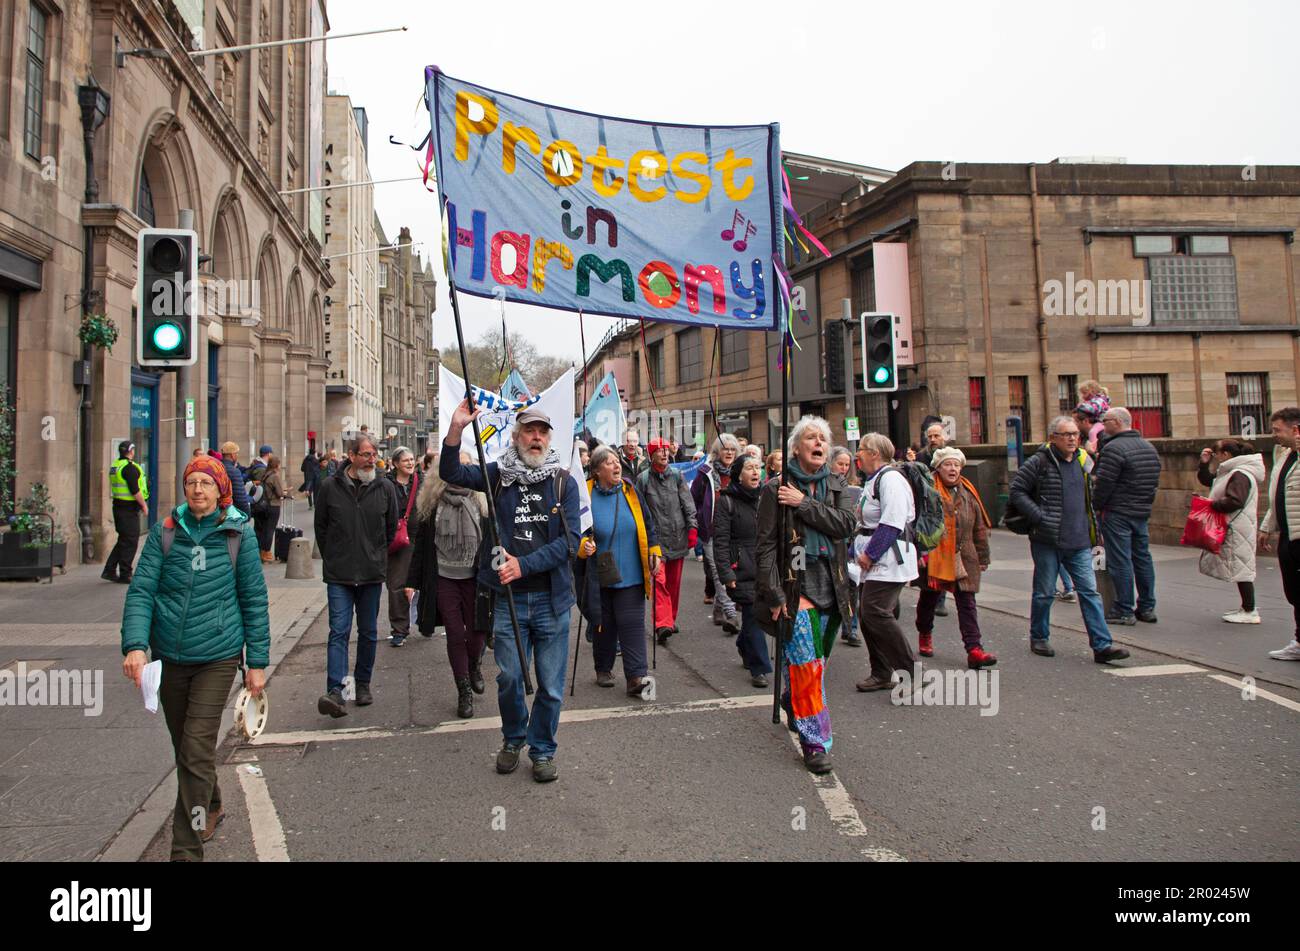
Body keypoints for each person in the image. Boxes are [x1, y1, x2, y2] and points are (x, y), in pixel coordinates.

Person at [120, 455, 268, 861]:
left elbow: (253, 599)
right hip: (169, 656)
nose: (198, 490)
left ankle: (186, 847)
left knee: (196, 748)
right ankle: (212, 800)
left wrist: (256, 663)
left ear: (220, 490)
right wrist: (135, 645)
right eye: (192, 483)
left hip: (217, 656)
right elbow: (142, 591)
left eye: (206, 483)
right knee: (185, 746)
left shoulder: (239, 534)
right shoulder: (165, 533)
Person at [441, 400, 580, 783]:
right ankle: (513, 737)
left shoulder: (563, 482)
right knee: (510, 679)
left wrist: (523, 565)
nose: (536, 438)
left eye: (542, 432)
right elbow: (449, 470)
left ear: (549, 438)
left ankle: (542, 750)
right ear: (516, 437)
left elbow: (570, 543)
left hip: (552, 601)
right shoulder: (497, 475)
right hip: (509, 602)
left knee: (550, 687)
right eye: (529, 431)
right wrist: (457, 429)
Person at [756, 416, 856, 774]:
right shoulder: (774, 488)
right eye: (811, 438)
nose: (819, 443)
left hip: (834, 582)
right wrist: (775, 594)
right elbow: (766, 547)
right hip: (795, 583)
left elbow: (846, 524)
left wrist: (802, 504)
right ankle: (815, 742)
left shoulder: (835, 483)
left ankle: (792, 700)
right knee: (807, 667)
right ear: (796, 447)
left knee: (817, 664)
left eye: (823, 439)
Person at [1009, 416, 1130, 664]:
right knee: (1044, 593)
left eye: (1075, 434)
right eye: (1066, 434)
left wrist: (1094, 529)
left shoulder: (1084, 460)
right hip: (1047, 540)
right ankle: (1039, 636)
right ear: (1053, 437)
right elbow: (1017, 490)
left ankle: (1102, 645)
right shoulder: (1039, 461)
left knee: (1090, 593)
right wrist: (1039, 516)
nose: (1073, 438)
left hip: (1080, 541)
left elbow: (1091, 494)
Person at [313, 434, 399, 717]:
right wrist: (335, 556)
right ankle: (336, 690)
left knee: (368, 632)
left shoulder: (384, 488)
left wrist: (377, 556)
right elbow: (321, 529)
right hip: (340, 573)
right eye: (365, 454)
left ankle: (362, 684)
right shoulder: (329, 487)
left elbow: (389, 530)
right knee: (339, 631)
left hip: (372, 573)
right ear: (351, 456)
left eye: (373, 454)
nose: (371, 459)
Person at [404, 453, 489, 717]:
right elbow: (421, 547)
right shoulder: (432, 502)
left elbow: (494, 539)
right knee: (454, 633)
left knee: (476, 635)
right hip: (444, 577)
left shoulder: (481, 499)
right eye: (456, 465)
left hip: (475, 578)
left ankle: (474, 663)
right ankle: (463, 690)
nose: (461, 469)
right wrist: (412, 582)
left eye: (466, 465)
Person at [579, 446, 662, 697]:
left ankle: (636, 677)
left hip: (632, 571)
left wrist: (654, 550)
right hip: (599, 572)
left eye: (617, 461)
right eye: (608, 462)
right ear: (595, 471)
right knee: (603, 624)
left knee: (632, 623)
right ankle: (603, 668)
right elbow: (575, 528)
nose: (616, 466)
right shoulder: (585, 493)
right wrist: (583, 545)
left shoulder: (630, 490)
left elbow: (648, 522)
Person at [916, 448, 998, 668]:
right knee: (929, 597)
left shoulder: (969, 492)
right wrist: (919, 552)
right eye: (947, 465)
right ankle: (924, 633)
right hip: (936, 554)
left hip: (964, 554)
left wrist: (983, 556)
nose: (952, 469)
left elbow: (979, 527)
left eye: (956, 465)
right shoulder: (927, 490)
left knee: (967, 602)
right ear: (938, 467)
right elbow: (917, 523)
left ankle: (974, 649)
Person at [852, 433, 921, 691]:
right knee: (867, 613)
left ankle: (911, 669)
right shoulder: (873, 481)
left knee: (874, 611)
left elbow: (891, 523)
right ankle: (881, 671)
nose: (857, 454)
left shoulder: (891, 479)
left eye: (861, 449)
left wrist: (870, 554)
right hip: (875, 558)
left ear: (874, 454)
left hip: (889, 557)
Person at [1091, 407, 1162, 625]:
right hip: (1140, 510)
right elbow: (1154, 482)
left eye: (1106, 421)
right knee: (1142, 557)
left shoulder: (1114, 449)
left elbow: (1104, 483)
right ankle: (1147, 607)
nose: (1103, 424)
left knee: (1120, 559)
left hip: (1117, 511)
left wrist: (1096, 506)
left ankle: (1124, 608)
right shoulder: (1149, 448)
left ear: (1118, 423)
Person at [713, 454, 773, 687]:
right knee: (754, 615)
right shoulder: (726, 502)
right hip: (741, 569)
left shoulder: (766, 498)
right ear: (738, 474)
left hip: (765, 566)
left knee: (757, 616)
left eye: (758, 467)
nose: (756, 472)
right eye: (749, 468)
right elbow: (720, 541)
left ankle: (742, 644)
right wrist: (726, 574)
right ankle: (759, 668)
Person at [1197, 439, 1267, 623]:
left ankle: (1250, 610)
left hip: (1236, 526)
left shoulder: (1240, 474)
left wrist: (1211, 504)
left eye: (1216, 453)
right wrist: (1204, 464)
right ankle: (1247, 608)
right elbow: (1211, 481)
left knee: (1242, 567)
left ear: (1226, 455)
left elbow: (1235, 501)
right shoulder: (1235, 472)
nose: (1215, 456)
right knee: (1240, 566)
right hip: (1237, 525)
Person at [636, 437, 696, 644]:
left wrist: (692, 529)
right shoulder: (643, 479)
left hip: (677, 536)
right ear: (651, 455)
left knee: (673, 583)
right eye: (659, 450)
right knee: (659, 582)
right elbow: (640, 511)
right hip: (656, 542)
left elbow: (688, 504)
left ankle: (670, 618)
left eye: (665, 450)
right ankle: (662, 624)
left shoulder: (678, 476)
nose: (664, 453)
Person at [1261, 407, 1300, 660]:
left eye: (1278, 430)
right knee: (1295, 591)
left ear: (1295, 429)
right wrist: (1267, 525)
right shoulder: (1284, 455)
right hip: (1289, 534)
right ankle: (1299, 640)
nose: (1274, 435)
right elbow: (1278, 494)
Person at [692, 433, 742, 633]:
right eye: (725, 449)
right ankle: (731, 615)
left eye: (732, 449)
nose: (729, 452)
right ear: (717, 451)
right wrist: (700, 517)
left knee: (729, 570)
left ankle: (719, 610)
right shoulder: (705, 472)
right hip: (712, 531)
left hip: (735, 532)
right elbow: (694, 498)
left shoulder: (740, 471)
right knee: (718, 571)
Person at [828, 446, 864, 647]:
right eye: (839, 463)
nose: (842, 468)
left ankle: (851, 629)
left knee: (852, 586)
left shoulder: (855, 487)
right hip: (833, 542)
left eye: (846, 464)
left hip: (850, 542)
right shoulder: (825, 484)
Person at [385, 447, 420, 647]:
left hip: (418, 537)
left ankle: (425, 621)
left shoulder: (420, 481)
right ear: (396, 463)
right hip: (396, 539)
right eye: (405, 460)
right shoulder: (385, 485)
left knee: (422, 583)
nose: (409, 463)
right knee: (397, 584)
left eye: (412, 459)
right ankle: (399, 629)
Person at [103, 441, 149, 583]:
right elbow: (135, 490)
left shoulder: (116, 466)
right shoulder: (129, 468)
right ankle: (125, 573)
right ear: (131, 451)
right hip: (128, 509)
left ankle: (109, 570)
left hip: (118, 506)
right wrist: (144, 505)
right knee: (130, 541)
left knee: (124, 539)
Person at [261, 455, 290, 562]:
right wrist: (285, 492)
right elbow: (279, 493)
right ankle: (266, 553)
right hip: (273, 505)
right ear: (277, 465)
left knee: (265, 529)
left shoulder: (265, 474)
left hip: (265, 505)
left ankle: (262, 551)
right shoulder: (275, 476)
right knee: (270, 530)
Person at [1076, 381, 1111, 454]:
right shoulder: (1092, 401)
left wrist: (1081, 406)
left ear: (1091, 392)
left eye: (1084, 393)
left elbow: (1093, 409)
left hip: (1102, 422)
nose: (1082, 396)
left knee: (1092, 432)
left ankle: (1093, 448)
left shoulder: (1100, 400)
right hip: (1098, 421)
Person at [219, 442, 252, 514]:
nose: (237, 456)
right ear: (232, 455)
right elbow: (240, 497)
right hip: (231, 512)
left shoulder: (217, 468)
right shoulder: (234, 472)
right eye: (236, 453)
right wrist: (247, 514)